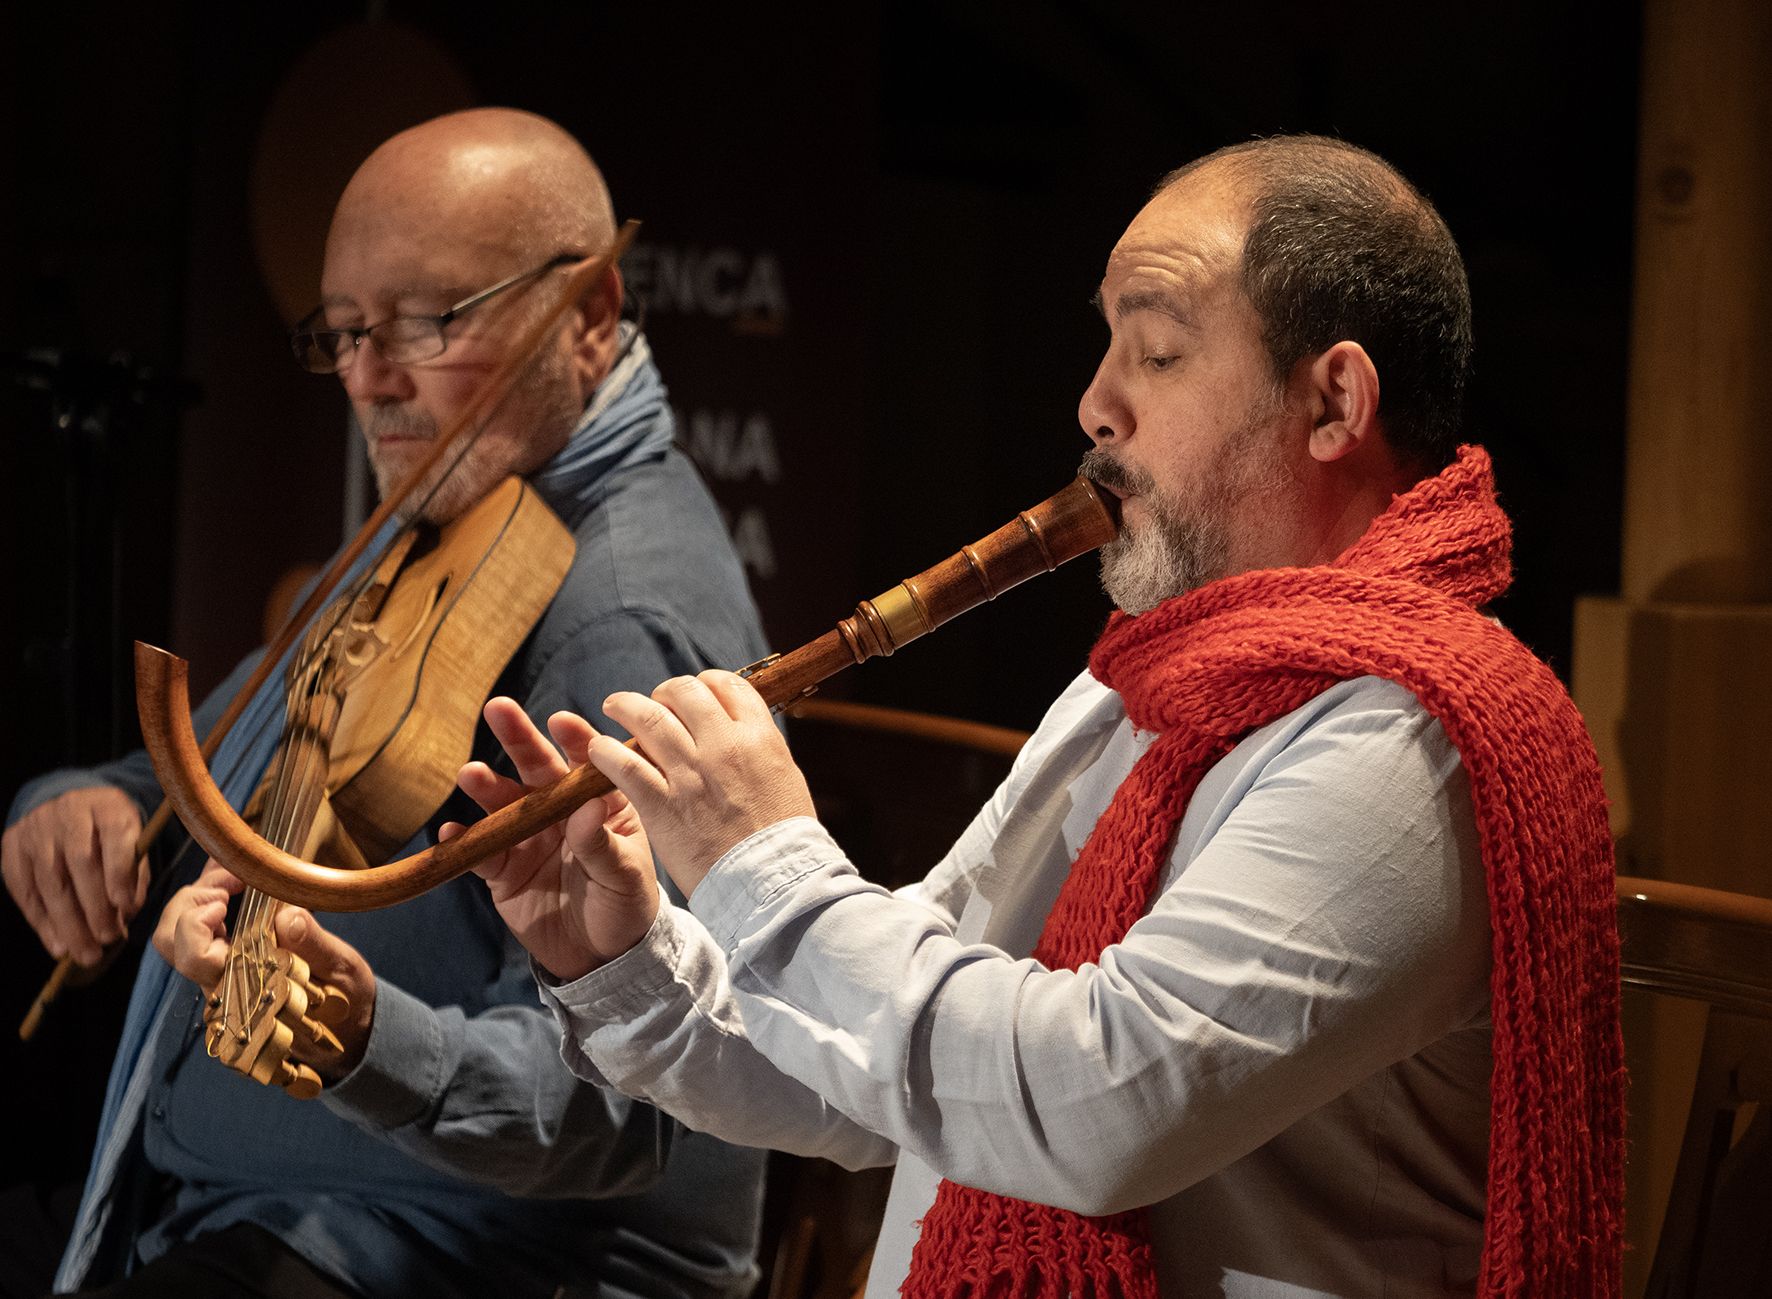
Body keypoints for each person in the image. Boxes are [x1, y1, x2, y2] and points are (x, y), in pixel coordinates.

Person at [459, 136, 1624, 1299]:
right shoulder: (1141, 688)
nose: (1095, 405)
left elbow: (1088, 1110)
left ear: (1332, 402)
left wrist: (767, 863)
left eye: (1157, 351)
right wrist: (622, 959)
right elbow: (881, 1072)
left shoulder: (1408, 739)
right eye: (1107, 344)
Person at [2, 108, 770, 1299]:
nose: (371, 377)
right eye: (347, 332)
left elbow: (627, 1103)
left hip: (461, 1256)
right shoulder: (456, 503)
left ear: (593, 313)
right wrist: (98, 797)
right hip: (261, 1204)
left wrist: (364, 1041)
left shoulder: (617, 613)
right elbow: (239, 757)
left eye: (429, 320)